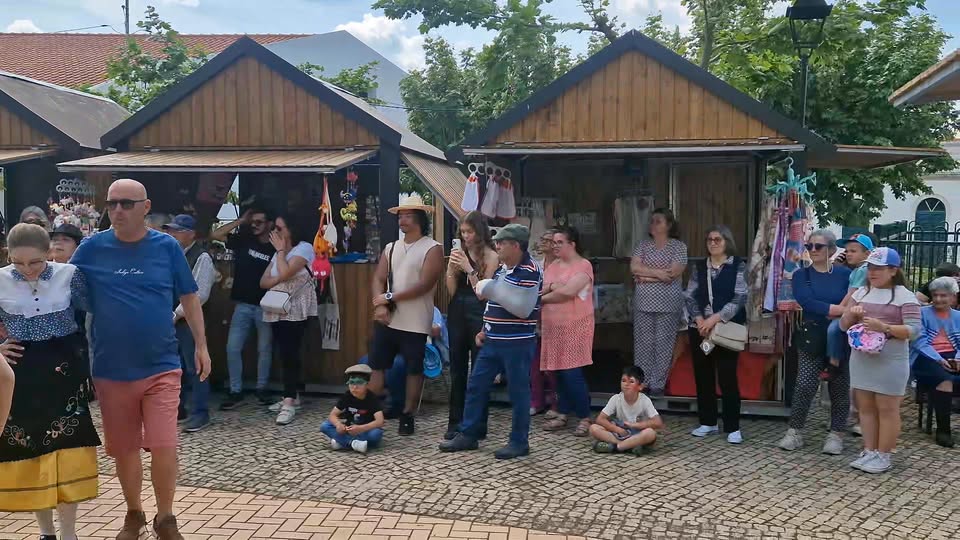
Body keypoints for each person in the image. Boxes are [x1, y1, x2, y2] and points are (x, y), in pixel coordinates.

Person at [71, 179, 210, 540]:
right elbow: (60, 289)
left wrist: (201, 345)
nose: (117, 211)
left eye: (126, 204)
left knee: (165, 445)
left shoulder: (167, 247)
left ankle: (166, 518)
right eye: (112, 204)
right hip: (111, 368)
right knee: (125, 449)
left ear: (146, 207)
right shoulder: (91, 248)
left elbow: (190, 296)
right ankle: (134, 513)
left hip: (161, 365)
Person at [0, 224, 100, 540]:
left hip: (64, 371)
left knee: (67, 452)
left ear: (49, 253)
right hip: (21, 373)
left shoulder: (70, 275)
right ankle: (46, 532)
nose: (27, 269)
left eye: (35, 261)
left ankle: (69, 533)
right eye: (17, 262)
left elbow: (98, 310)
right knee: (32, 453)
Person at [440, 224, 542, 460]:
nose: (497, 246)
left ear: (515, 245)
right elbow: (492, 300)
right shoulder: (504, 268)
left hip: (517, 342)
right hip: (493, 339)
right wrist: (485, 328)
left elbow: (521, 308)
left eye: (501, 243)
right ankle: (469, 434)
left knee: (518, 392)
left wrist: (487, 285)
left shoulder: (530, 270)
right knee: (476, 385)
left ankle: (519, 442)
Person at [841, 247, 920, 474]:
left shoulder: (905, 296)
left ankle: (884, 454)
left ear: (893, 270)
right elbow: (843, 325)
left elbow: (914, 331)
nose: (872, 273)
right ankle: (869, 450)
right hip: (862, 358)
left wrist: (884, 327)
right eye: (870, 268)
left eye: (879, 268)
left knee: (887, 408)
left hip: (890, 360)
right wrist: (852, 315)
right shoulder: (861, 293)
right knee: (865, 407)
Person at [370, 194, 443, 436]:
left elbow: (425, 284)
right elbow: (379, 278)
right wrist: (380, 305)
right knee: (377, 364)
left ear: (420, 219)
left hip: (416, 319)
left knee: (414, 369)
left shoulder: (432, 248)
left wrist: (390, 297)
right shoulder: (391, 247)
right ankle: (370, 407)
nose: (403, 220)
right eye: (401, 216)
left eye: (408, 215)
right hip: (390, 317)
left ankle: (408, 413)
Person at [779, 230, 852, 455]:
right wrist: (839, 310)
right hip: (812, 334)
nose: (812, 250)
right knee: (804, 384)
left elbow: (855, 296)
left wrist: (836, 312)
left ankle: (836, 433)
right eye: (809, 246)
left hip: (839, 335)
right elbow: (807, 301)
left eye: (818, 246)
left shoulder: (845, 274)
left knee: (839, 386)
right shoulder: (801, 275)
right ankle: (795, 431)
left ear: (831, 249)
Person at [684, 225, 748, 444]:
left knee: (728, 377)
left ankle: (732, 426)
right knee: (703, 376)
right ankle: (708, 421)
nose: (713, 243)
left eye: (717, 239)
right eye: (709, 239)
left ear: (727, 242)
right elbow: (690, 295)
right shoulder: (700, 267)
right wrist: (699, 319)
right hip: (701, 330)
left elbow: (740, 297)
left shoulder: (738, 265)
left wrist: (715, 318)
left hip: (725, 329)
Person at [210, 208, 276, 410]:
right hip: (242, 304)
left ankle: (262, 388)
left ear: (269, 224)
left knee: (264, 349)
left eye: (259, 222)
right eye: (252, 222)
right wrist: (241, 220)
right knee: (232, 348)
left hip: (267, 305)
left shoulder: (275, 247)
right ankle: (235, 391)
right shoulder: (244, 240)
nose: (254, 225)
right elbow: (215, 234)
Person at [444, 211, 498, 439]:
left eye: (469, 231)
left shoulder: (491, 255)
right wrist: (451, 269)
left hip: (479, 309)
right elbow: (452, 291)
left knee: (479, 369)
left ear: (479, 231)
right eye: (463, 232)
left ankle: (477, 423)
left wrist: (469, 268)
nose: (465, 236)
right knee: (457, 367)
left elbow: (483, 293)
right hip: (458, 307)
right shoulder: (461, 253)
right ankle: (455, 421)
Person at [259, 214, 316, 426]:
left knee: (291, 352)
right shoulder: (278, 254)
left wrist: (281, 252)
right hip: (276, 307)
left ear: (292, 230)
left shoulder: (304, 248)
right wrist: (279, 275)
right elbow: (264, 281)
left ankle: (289, 401)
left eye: (280, 228)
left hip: (296, 308)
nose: (276, 232)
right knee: (283, 353)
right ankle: (291, 395)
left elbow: (285, 273)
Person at [163, 215, 217, 433]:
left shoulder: (202, 257)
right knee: (176, 367)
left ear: (191, 234)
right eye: (170, 230)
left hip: (191, 321)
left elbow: (199, 294)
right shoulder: (171, 256)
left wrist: (175, 315)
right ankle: (180, 409)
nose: (172, 234)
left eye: (177, 231)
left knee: (196, 366)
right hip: (172, 320)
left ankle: (200, 413)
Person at [540, 227, 595, 436]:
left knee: (572, 372)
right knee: (558, 372)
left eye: (559, 242)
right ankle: (562, 412)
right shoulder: (552, 266)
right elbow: (543, 287)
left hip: (576, 326)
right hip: (553, 327)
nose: (555, 246)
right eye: (553, 242)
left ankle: (584, 416)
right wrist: (554, 287)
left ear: (572, 244)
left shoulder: (584, 265)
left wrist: (544, 295)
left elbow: (568, 292)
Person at [630, 208, 688, 395]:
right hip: (643, 303)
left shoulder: (678, 247)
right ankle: (642, 382)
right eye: (652, 221)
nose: (653, 224)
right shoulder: (642, 245)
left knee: (663, 344)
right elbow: (634, 268)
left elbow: (673, 273)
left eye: (658, 221)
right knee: (643, 344)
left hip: (668, 304)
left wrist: (645, 277)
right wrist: (658, 275)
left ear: (669, 225)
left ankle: (657, 384)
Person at [911, 276, 960, 448]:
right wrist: (939, 359)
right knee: (944, 379)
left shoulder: (958, 316)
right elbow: (919, 342)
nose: (938, 299)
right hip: (926, 357)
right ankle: (943, 431)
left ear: (953, 296)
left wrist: (958, 359)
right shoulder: (921, 313)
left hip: (953, 355)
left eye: (943, 295)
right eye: (935, 295)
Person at [824, 234, 874, 380]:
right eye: (847, 251)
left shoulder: (862, 270)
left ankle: (834, 363)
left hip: (856, 308)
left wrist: (837, 310)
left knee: (833, 329)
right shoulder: (858, 269)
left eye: (853, 251)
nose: (848, 254)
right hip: (855, 307)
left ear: (867, 253)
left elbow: (852, 294)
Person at [589, 366, 663, 454]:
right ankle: (630, 446)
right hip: (621, 432)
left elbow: (658, 422)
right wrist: (617, 429)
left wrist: (635, 425)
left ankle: (616, 447)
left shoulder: (645, 400)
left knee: (650, 433)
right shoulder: (616, 398)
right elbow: (600, 419)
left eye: (631, 382)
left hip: (638, 433)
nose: (626, 384)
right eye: (623, 381)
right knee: (593, 428)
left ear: (640, 386)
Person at [320, 364, 386, 453]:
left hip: (365, 430)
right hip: (349, 429)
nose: (354, 387)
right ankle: (353, 443)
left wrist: (361, 428)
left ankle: (341, 441)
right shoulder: (347, 396)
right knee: (325, 426)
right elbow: (332, 415)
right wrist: (338, 425)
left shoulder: (372, 399)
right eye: (351, 383)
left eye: (359, 383)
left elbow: (380, 421)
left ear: (367, 384)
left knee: (376, 434)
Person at [530, 230, 559, 416]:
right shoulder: (536, 265)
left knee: (553, 366)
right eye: (543, 239)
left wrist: (541, 293)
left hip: (555, 318)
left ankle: (556, 403)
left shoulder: (561, 267)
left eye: (548, 240)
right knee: (534, 364)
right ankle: (537, 400)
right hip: (536, 318)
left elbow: (560, 290)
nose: (544, 243)